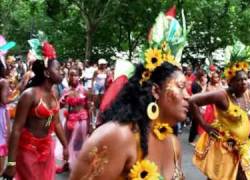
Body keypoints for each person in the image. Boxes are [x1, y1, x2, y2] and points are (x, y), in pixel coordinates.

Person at [70, 6, 188, 179]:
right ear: (156, 90)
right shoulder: (117, 137)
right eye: (181, 86)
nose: (188, 95)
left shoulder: (173, 143)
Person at [3, 39, 68, 180]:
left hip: (47, 149)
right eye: (58, 69)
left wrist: (65, 146)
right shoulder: (29, 95)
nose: (61, 72)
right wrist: (11, 163)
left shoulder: (55, 93)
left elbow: (56, 123)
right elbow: (17, 129)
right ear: (47, 73)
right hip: (27, 151)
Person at [191, 41, 250, 180]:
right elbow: (192, 101)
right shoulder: (221, 95)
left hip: (241, 148)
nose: (244, 82)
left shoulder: (246, 93)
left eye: (245, 79)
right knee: (219, 177)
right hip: (224, 147)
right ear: (230, 81)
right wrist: (205, 126)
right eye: (239, 80)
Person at [57, 68, 93, 172]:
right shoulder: (65, 90)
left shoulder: (85, 90)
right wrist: (63, 101)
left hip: (82, 121)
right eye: (71, 75)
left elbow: (89, 108)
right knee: (66, 142)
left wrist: (90, 124)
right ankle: (66, 163)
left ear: (80, 76)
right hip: (69, 119)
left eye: (76, 75)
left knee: (79, 144)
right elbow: (59, 106)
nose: (73, 77)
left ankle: (79, 165)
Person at [0, 61, 10, 175]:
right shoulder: (3, 81)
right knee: (2, 141)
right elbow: (4, 101)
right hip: (1, 114)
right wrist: (16, 97)